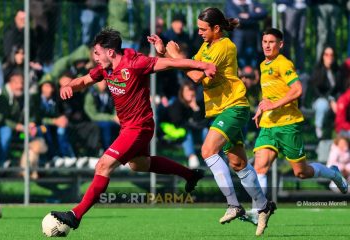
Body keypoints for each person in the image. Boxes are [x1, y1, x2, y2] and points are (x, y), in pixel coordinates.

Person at [50, 28, 216, 231]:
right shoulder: (105, 68)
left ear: (110, 52)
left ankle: (75, 215)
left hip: (139, 127)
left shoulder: (136, 63)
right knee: (139, 164)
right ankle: (190, 175)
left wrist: (203, 65)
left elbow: (172, 63)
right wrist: (68, 85)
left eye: (97, 52)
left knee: (103, 166)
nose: (95, 57)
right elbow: (84, 81)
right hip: (128, 127)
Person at [149, 7, 274, 236]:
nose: (199, 32)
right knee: (238, 164)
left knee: (207, 150)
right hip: (220, 110)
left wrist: (175, 55)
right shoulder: (206, 46)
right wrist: (163, 53)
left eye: (203, 29)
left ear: (217, 29)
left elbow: (196, 76)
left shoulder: (225, 45)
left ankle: (234, 205)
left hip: (234, 107)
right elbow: (188, 66)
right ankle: (263, 205)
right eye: (198, 28)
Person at [245, 28, 348, 224]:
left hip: (288, 125)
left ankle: (333, 172)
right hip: (269, 124)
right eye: (264, 41)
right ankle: (258, 210)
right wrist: (261, 107)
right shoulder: (262, 64)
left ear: (280, 45)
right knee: (259, 166)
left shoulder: (284, 64)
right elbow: (269, 93)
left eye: (271, 42)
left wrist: (274, 105)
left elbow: (298, 89)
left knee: (301, 172)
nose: (267, 45)